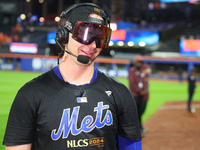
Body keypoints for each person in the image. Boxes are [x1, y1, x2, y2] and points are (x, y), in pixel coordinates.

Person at [3, 3, 142, 150]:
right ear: (64, 34)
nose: (93, 45)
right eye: (86, 34)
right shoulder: (30, 94)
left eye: (101, 38)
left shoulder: (120, 93)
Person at [128, 56, 151, 135]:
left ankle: (140, 128)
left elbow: (148, 70)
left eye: (141, 62)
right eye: (138, 62)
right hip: (135, 95)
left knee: (140, 112)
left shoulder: (142, 71)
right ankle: (136, 130)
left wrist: (144, 91)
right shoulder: (132, 70)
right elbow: (132, 83)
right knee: (136, 113)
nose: (139, 64)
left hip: (143, 96)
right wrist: (139, 91)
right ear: (135, 62)